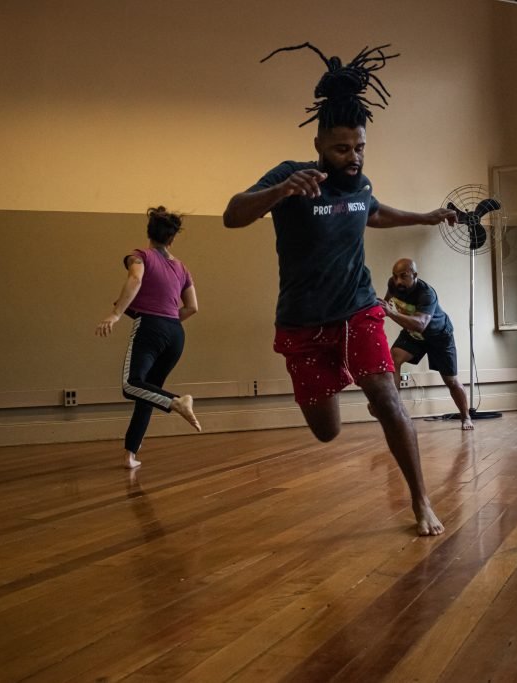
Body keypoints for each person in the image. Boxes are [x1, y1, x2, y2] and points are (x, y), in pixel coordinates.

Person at [222, 43, 455, 536]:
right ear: (319, 144)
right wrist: (281, 191)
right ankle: (359, 386)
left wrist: (425, 216)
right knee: (326, 431)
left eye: (360, 147)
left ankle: (420, 500)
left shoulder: (359, 185)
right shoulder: (291, 176)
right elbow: (232, 215)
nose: (354, 157)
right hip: (302, 322)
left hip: (357, 310)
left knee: (387, 398)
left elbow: (375, 212)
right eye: (342, 149)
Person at [96, 207, 202, 470]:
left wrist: (115, 314)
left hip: (151, 327)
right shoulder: (182, 268)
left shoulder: (139, 256)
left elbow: (135, 278)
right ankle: (130, 455)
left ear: (149, 233)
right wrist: (168, 321)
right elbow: (192, 307)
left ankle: (177, 401)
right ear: (172, 238)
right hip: (176, 334)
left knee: (130, 384)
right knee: (148, 391)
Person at [379, 258, 474, 430]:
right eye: (395, 276)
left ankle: (466, 417)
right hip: (413, 335)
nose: (398, 281)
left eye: (403, 276)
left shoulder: (427, 293)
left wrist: (391, 313)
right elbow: (386, 305)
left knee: (451, 381)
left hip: (439, 336)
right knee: (393, 358)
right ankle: (394, 407)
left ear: (414, 275)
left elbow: (420, 324)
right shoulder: (393, 284)